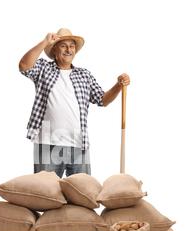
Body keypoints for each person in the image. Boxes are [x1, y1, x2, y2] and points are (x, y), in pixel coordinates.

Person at [19, 28, 130, 178]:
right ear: (55, 49)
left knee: (83, 195)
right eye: (63, 45)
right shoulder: (44, 68)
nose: (68, 49)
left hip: (79, 144)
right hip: (47, 143)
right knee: (46, 195)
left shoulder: (84, 75)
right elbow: (24, 66)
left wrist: (118, 85)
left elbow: (102, 99)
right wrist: (45, 41)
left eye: (71, 46)